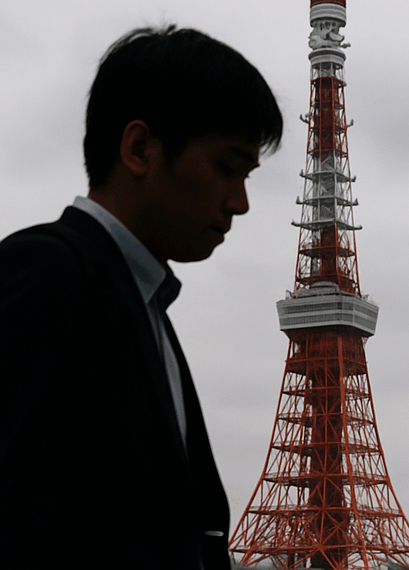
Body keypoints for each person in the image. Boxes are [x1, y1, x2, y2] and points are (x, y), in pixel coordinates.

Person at [0, 26, 283, 569]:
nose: (241, 203)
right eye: (227, 168)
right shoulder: (49, 275)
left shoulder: (144, 306)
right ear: (139, 149)